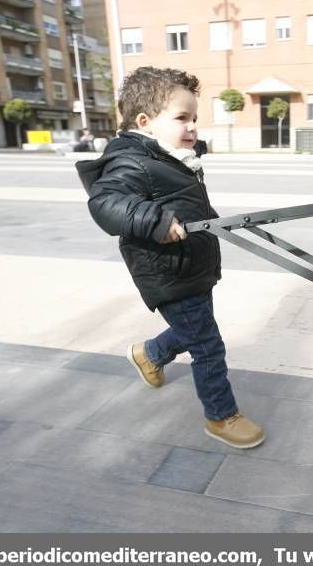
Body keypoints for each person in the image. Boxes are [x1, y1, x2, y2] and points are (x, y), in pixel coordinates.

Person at [76, 66, 264, 449]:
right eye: (182, 118)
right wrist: (155, 220)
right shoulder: (133, 161)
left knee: (195, 330)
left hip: (189, 265)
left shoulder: (171, 156)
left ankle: (150, 354)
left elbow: (184, 203)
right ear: (145, 122)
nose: (192, 126)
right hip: (165, 270)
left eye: (194, 118)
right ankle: (221, 416)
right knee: (207, 345)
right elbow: (104, 202)